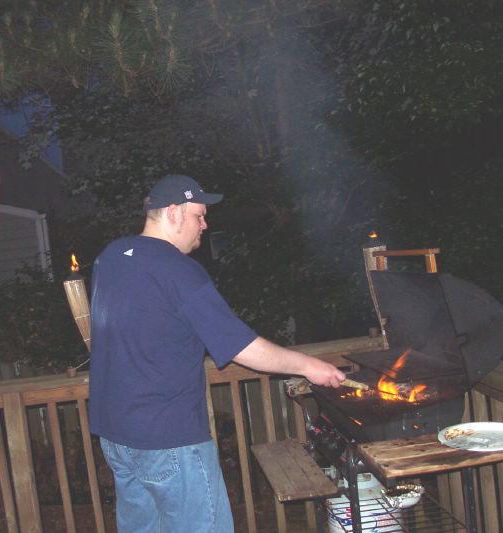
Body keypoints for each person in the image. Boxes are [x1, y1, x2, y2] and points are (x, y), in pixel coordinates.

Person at [88, 174, 345, 533]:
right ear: (174, 213)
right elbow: (242, 347)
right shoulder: (178, 270)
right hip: (168, 438)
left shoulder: (110, 258)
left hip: (116, 435)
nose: (205, 225)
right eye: (200, 215)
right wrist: (309, 366)